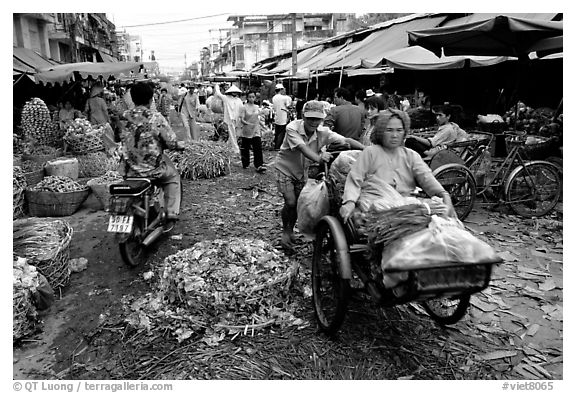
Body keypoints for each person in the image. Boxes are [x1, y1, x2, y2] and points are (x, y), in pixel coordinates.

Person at [275, 100, 364, 251]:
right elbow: (302, 148)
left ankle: (291, 230)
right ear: (303, 116)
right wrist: (319, 158)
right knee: (290, 202)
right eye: (310, 118)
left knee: (297, 203)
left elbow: (346, 140)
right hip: (285, 169)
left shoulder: (324, 132)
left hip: (302, 172)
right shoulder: (292, 128)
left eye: (317, 119)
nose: (313, 122)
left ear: (322, 119)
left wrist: (368, 151)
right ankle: (286, 231)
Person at [339, 109, 455, 223]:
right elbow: (355, 179)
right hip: (376, 208)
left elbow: (427, 179)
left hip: (407, 208)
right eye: (389, 130)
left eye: (399, 130)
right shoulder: (370, 153)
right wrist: (349, 202)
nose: (394, 135)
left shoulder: (411, 156)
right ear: (380, 132)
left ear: (404, 132)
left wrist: (444, 195)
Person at [117, 82, 186, 233]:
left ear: (133, 99)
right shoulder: (156, 118)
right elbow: (171, 141)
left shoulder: (123, 117)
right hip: (152, 170)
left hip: (128, 171)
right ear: (150, 99)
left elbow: (120, 137)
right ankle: (171, 214)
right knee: (173, 177)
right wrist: (178, 146)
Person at [213, 83, 243, 154]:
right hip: (229, 119)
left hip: (237, 119)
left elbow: (242, 108)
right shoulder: (226, 98)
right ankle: (236, 149)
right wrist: (217, 86)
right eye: (233, 92)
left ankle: (228, 146)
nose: (234, 93)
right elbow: (218, 93)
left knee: (235, 134)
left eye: (236, 92)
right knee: (232, 134)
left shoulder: (238, 100)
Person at [239, 91, 265, 172]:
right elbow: (242, 119)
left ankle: (259, 165)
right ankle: (245, 163)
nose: (251, 98)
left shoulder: (257, 107)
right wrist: (248, 124)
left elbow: (258, 118)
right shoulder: (244, 107)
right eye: (250, 97)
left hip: (256, 129)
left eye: (253, 97)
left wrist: (263, 125)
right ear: (247, 98)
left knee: (258, 147)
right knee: (245, 147)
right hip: (247, 130)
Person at [272, 83, 293, 150]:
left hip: (277, 116)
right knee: (282, 132)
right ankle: (278, 146)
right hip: (283, 116)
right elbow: (288, 106)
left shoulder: (274, 97)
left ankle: (276, 145)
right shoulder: (284, 98)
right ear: (281, 89)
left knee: (277, 131)